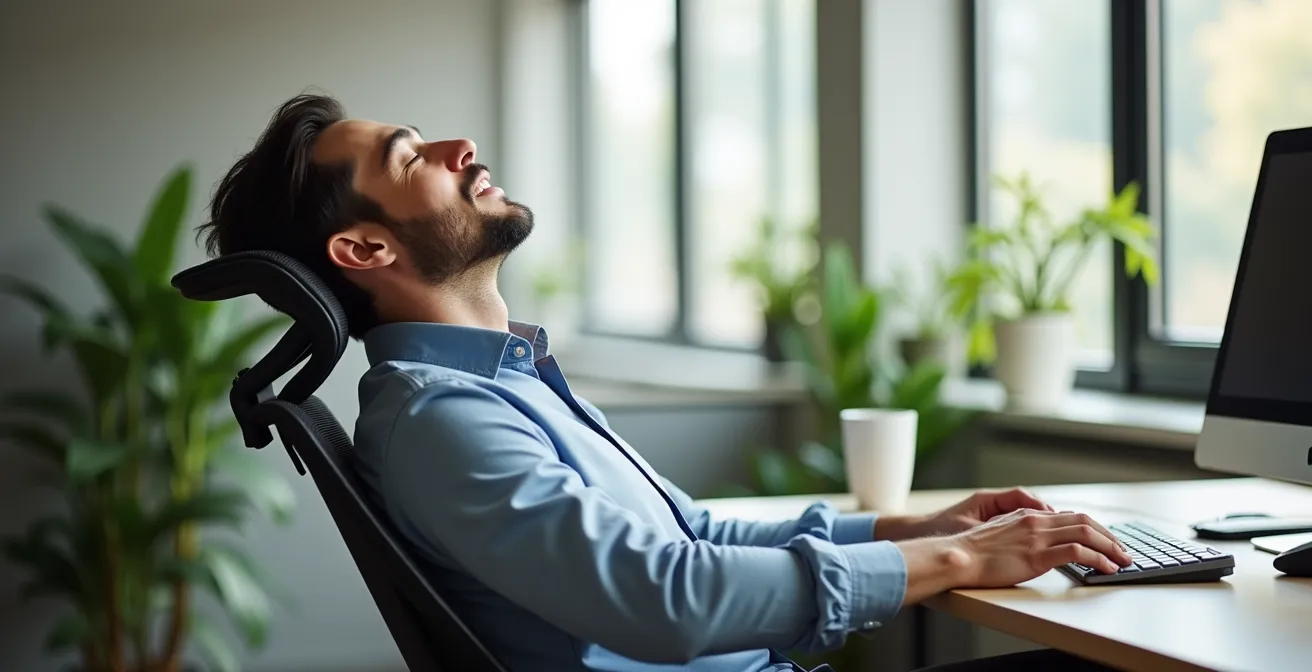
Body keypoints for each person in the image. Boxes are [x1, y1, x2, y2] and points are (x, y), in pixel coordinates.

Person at [197, 93, 1132, 672]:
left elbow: (689, 533)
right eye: (413, 159)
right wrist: (965, 563)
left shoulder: (508, 384)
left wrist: (915, 529)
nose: (458, 147)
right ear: (365, 248)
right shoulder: (442, 423)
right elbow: (671, 601)